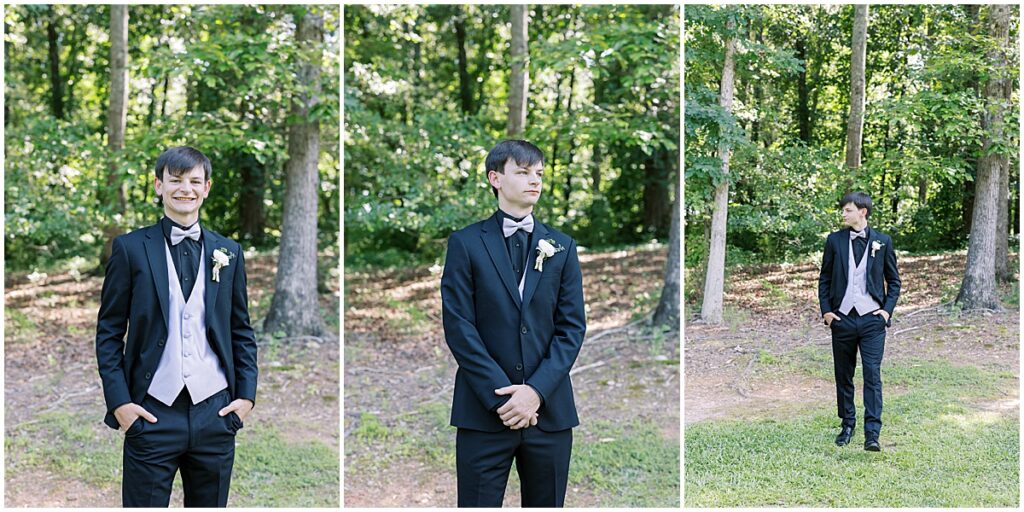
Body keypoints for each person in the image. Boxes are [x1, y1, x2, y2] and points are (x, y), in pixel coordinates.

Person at [95, 146, 258, 507]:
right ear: (159, 185)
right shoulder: (129, 248)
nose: (185, 188)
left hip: (215, 411)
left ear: (207, 187)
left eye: (194, 181)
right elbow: (108, 333)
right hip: (151, 411)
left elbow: (240, 329)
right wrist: (121, 404)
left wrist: (245, 397)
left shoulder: (228, 251)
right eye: (175, 180)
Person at [440, 140, 587, 507]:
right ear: (496, 178)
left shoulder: (562, 246)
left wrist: (534, 392)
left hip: (549, 414)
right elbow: (459, 327)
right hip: (483, 412)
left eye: (538, 173)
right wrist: (502, 397)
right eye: (522, 172)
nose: (534, 181)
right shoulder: (465, 243)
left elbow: (572, 328)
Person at [817, 191, 901, 451]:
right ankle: (847, 425)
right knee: (843, 375)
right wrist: (828, 313)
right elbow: (825, 279)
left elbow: (894, 281)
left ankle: (872, 432)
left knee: (872, 375)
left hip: (872, 321)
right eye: (843, 210)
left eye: (848, 209)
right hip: (841, 319)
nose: (843, 213)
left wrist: (886, 312)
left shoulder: (882, 241)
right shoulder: (834, 241)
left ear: (862, 212)